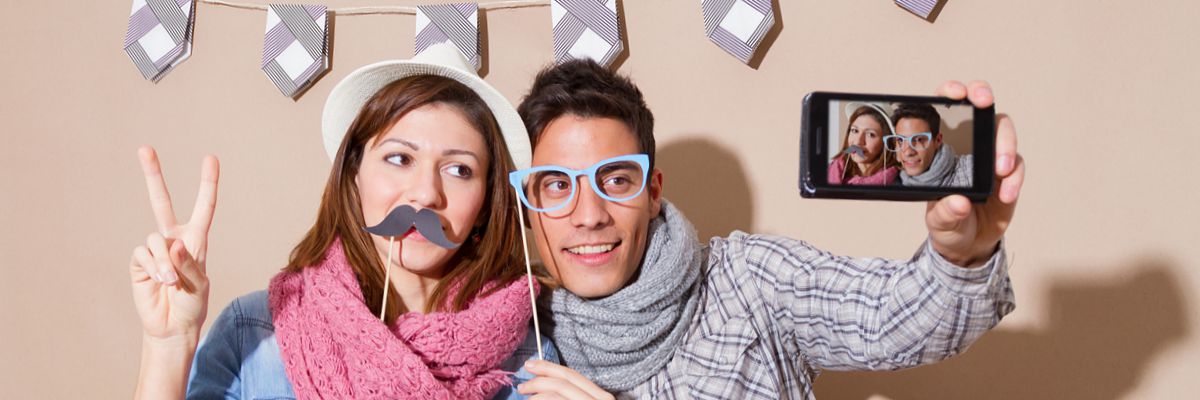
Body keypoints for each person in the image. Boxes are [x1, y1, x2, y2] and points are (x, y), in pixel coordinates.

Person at [508, 60, 1024, 399]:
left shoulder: (750, 281)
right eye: (556, 185)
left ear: (653, 191)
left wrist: (960, 256)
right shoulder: (510, 340)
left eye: (617, 180)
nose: (589, 214)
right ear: (526, 203)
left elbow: (891, 318)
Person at [127, 44, 557, 400]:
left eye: (459, 169)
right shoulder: (252, 333)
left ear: (485, 201)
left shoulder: (530, 359)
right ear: (354, 175)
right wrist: (168, 346)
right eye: (399, 158)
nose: (426, 194)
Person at [885, 102, 974, 187]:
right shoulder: (891, 181)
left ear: (938, 140)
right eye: (900, 140)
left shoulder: (969, 169)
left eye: (919, 140)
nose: (908, 152)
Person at [828, 103, 900, 185]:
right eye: (855, 130)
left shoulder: (897, 184)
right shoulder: (829, 172)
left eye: (870, 134)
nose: (858, 142)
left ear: (886, 142)